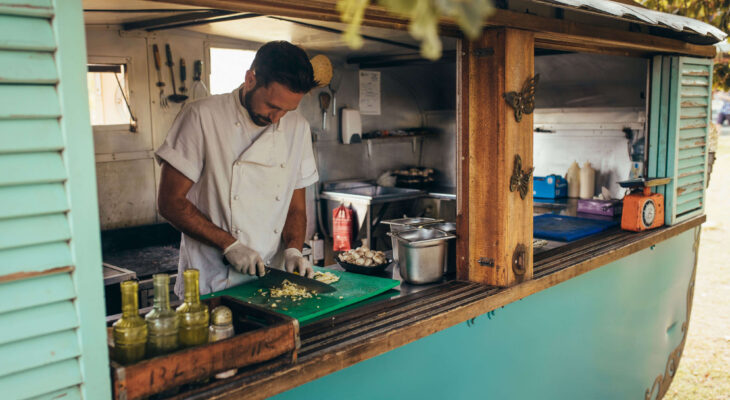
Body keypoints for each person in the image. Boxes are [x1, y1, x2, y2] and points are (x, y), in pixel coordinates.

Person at [155, 41, 319, 297]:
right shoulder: (201, 117)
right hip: (212, 284)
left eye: (287, 110)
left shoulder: (298, 128)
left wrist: (294, 249)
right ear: (250, 79)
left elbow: (296, 207)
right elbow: (169, 202)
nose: (276, 119)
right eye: (273, 106)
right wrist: (229, 245)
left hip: (270, 285)